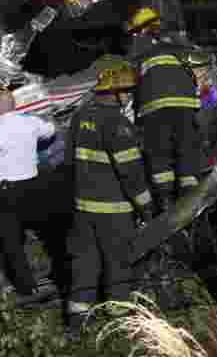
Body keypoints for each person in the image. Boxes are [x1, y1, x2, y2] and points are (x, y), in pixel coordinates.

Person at [66, 64, 154, 331]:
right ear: (115, 93)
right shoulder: (118, 124)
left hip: (82, 210)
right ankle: (119, 327)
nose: (129, 96)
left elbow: (69, 162)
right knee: (118, 266)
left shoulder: (80, 117)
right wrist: (147, 209)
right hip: (113, 213)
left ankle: (76, 324)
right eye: (126, 91)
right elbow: (132, 175)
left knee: (84, 266)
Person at [0, 89, 57, 296]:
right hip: (34, 188)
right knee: (44, 231)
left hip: (7, 193)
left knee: (11, 242)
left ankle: (28, 289)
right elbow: (50, 130)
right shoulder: (30, 122)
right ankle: (56, 272)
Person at [125, 6, 202, 211]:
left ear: (140, 29)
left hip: (155, 106)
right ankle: (189, 195)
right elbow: (197, 66)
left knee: (159, 151)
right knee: (187, 147)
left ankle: (165, 200)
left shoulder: (137, 47)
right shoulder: (177, 44)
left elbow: (132, 81)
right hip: (185, 103)